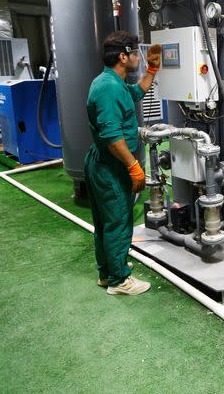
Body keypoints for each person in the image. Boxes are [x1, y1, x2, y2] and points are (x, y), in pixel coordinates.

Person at [84, 31, 162, 296]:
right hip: (110, 166)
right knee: (118, 221)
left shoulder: (113, 82)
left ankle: (107, 272)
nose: (138, 58)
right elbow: (111, 135)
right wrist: (133, 165)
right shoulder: (107, 88)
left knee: (106, 222)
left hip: (104, 163)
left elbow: (138, 92)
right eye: (135, 54)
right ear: (122, 56)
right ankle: (120, 281)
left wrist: (152, 69)